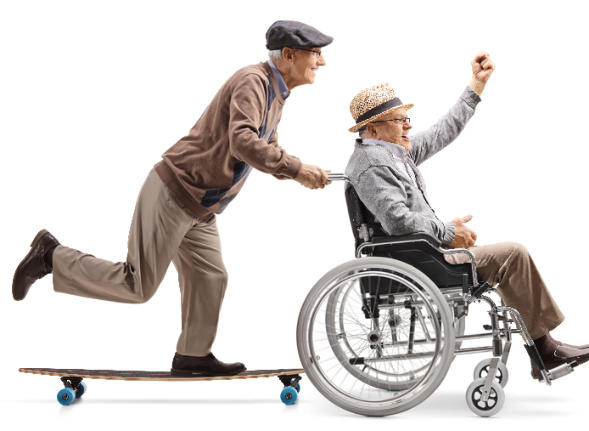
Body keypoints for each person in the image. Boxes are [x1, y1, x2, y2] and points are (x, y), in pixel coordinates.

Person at [12, 20, 332, 376]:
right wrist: (297, 168)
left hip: (201, 206)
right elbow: (244, 142)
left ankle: (193, 356)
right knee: (136, 285)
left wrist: (297, 170)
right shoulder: (252, 82)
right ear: (288, 55)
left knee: (211, 276)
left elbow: (265, 146)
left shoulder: (275, 92)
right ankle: (51, 256)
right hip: (174, 193)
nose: (321, 62)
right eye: (315, 53)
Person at [344, 53, 589, 379]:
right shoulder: (373, 163)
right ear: (372, 128)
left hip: (422, 253)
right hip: (415, 260)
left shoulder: (393, 153)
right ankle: (545, 350)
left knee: (506, 257)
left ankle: (543, 350)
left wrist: (477, 85)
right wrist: (447, 232)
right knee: (513, 254)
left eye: (406, 118)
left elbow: (442, 131)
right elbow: (398, 221)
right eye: (399, 120)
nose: (409, 125)